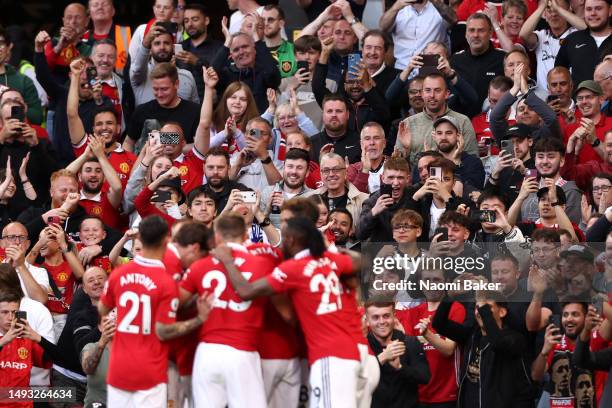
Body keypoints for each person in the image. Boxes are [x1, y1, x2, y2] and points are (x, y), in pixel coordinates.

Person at [212, 216, 364, 408]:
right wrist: (333, 249)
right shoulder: (331, 259)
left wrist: (228, 261)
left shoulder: (293, 268)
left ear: (291, 240)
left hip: (329, 355)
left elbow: (246, 291)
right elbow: (359, 261)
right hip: (351, 350)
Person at [98, 215, 211, 407]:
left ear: (140, 239)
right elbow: (163, 331)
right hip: (149, 369)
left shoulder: (120, 273)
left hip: (119, 368)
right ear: (167, 240)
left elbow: (103, 308)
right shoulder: (166, 282)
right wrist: (200, 319)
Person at [179, 213, 275, 408]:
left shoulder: (201, 265)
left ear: (217, 237)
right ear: (246, 237)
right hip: (243, 353)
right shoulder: (263, 263)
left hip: (208, 352)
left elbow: (175, 304)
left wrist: (202, 293)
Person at [433, 290, 534, 408]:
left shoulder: (515, 338)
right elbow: (438, 324)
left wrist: (482, 305)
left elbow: (497, 343)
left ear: (502, 312)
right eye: (477, 307)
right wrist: (449, 296)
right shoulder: (472, 335)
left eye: (487, 307)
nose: (480, 311)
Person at [396, 266, 466, 408]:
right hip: (419, 394)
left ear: (446, 282)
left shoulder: (456, 308)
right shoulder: (412, 312)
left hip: (446, 395)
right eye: (426, 280)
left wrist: (426, 335)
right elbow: (409, 349)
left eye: (436, 279)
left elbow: (448, 349)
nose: (431, 284)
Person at [395, 73, 479, 167]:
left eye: (437, 90)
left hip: (454, 178)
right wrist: (406, 151)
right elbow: (397, 166)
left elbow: (474, 162)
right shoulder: (408, 123)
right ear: (422, 94)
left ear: (447, 94)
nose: (432, 95)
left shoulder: (462, 121)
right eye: (427, 90)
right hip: (418, 179)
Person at [312, 41, 391, 134]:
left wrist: (366, 83)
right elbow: (318, 87)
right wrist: (324, 54)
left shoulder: (375, 103)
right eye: (351, 82)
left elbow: (384, 114)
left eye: (359, 82)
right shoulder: (337, 103)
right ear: (345, 85)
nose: (355, 86)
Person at [365, 301, 431, 408]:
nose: (381, 321)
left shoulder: (410, 342)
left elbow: (424, 377)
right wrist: (382, 358)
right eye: (375, 317)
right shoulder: (362, 347)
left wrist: (400, 368)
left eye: (386, 316)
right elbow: (354, 382)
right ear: (367, 321)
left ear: (394, 317)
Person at [124, 63, 201, 151]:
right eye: (155, 89)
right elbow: (128, 143)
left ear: (176, 84)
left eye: (164, 89)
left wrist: (172, 146)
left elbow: (200, 146)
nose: (159, 94)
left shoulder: (194, 111)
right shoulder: (142, 111)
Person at [212, 18, 281, 113]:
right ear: (231, 56)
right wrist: (227, 42)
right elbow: (210, 75)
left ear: (255, 49)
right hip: (231, 125)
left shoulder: (264, 71)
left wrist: (256, 37)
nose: (241, 52)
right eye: (236, 50)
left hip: (261, 124)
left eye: (245, 47)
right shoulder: (226, 74)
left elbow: (273, 74)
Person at [519, 0, 584, 95]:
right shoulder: (541, 36)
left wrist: (557, 8)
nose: (553, 14)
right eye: (549, 10)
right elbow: (523, 34)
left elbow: (586, 28)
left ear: (567, 11)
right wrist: (542, 7)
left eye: (558, 10)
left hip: (570, 95)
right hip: (543, 99)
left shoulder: (576, 34)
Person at [490, 62, 561, 147]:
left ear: (540, 116)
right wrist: (515, 87)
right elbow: (495, 118)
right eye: (521, 109)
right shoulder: (508, 135)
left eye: (531, 108)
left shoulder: (545, 135)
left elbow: (552, 119)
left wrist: (526, 92)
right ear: (515, 117)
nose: (525, 111)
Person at [519, 137, 582, 224]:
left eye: (551, 156)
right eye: (540, 157)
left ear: (562, 161)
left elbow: (571, 233)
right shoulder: (528, 188)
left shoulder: (571, 192)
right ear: (535, 161)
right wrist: (520, 197)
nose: (545, 161)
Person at [379, 0, 456, 71]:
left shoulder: (438, 10)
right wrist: (395, 7)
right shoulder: (399, 10)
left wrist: (435, 1)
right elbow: (382, 27)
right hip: (401, 69)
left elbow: (454, 19)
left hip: (430, 71)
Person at [66, 138, 124, 231]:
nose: (93, 175)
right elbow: (63, 177)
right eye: (88, 170)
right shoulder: (71, 197)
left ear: (105, 177)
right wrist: (85, 155)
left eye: (98, 171)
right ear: (79, 176)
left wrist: (101, 156)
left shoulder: (109, 198)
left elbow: (117, 187)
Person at [130, 28, 198, 106]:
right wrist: (145, 45)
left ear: (173, 48)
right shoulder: (141, 75)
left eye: (166, 43)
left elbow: (196, 112)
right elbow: (138, 68)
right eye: (157, 43)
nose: (162, 47)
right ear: (150, 50)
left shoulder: (187, 76)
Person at [450, 13, 506, 107]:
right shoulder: (455, 60)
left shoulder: (503, 59)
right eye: (471, 30)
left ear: (490, 33)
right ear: (466, 34)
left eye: (481, 30)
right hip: (460, 119)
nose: (475, 35)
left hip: (490, 119)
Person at [306, 152, 368, 231]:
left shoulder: (364, 200)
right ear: (321, 174)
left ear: (345, 172)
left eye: (336, 169)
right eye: (326, 170)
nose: (331, 174)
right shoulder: (307, 200)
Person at [555, 0, 612, 86]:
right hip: (580, 99)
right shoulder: (572, 39)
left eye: (598, 8)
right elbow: (559, 73)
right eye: (588, 9)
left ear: (610, 10)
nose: (593, 13)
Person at [357, 156, 412, 242]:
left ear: (408, 179)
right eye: (391, 177)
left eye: (400, 178)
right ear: (383, 178)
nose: (396, 183)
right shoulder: (373, 201)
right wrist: (373, 212)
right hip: (381, 252)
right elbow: (360, 234)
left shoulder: (415, 196)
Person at [176, 4, 222, 101]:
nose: (190, 24)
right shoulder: (179, 47)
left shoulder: (219, 48)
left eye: (195, 19)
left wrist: (197, 62)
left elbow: (222, 79)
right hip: (182, 106)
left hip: (210, 106)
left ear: (206, 21)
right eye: (186, 21)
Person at [260, 148, 311, 229]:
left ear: (307, 172)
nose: (294, 171)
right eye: (290, 166)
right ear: (284, 167)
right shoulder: (268, 192)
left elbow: (311, 231)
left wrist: (287, 209)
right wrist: (266, 212)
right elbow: (258, 230)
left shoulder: (312, 197)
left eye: (299, 168)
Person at [0, 222, 50, 304]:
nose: (17, 242)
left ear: (28, 244)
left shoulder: (39, 272)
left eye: (21, 237)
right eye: (11, 237)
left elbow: (41, 300)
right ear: (2, 243)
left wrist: (21, 265)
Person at [431, 115, 485, 191]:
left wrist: (456, 163)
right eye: (439, 133)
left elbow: (473, 192)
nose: (443, 137)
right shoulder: (430, 161)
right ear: (434, 136)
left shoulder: (473, 162)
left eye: (449, 133)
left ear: (458, 136)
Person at [564, 80, 612, 164]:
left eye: (589, 97)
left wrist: (594, 140)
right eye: (580, 98)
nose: (584, 102)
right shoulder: (570, 129)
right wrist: (575, 152)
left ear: (601, 99)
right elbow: (567, 170)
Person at [309, 94, 362, 164]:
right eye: (329, 111)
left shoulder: (360, 142)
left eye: (339, 111)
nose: (334, 115)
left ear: (347, 115)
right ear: (323, 115)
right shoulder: (311, 144)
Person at [83, 0, 132, 71]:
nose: (100, 7)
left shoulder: (128, 33)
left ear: (113, 11)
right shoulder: (83, 38)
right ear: (89, 13)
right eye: (95, 5)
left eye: (105, 4)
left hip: (121, 81)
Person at [347, 122, 387, 194]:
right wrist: (365, 171)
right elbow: (352, 199)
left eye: (376, 138)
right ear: (361, 144)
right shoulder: (353, 169)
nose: (372, 142)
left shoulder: (394, 165)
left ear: (384, 143)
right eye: (367, 139)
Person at [262, 5, 295, 78]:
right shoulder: (255, 51)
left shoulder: (293, 50)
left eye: (270, 20)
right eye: (263, 20)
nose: (266, 23)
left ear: (281, 23)